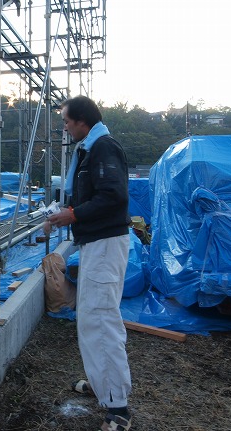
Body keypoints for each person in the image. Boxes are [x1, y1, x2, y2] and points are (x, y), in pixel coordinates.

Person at [44, 95, 133, 431]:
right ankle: (102, 386)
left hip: (106, 244)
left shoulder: (102, 148)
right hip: (97, 243)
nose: (64, 127)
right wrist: (62, 214)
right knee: (91, 319)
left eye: (66, 121)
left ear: (82, 121)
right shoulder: (89, 149)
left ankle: (118, 409)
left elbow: (114, 196)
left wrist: (74, 214)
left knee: (100, 321)